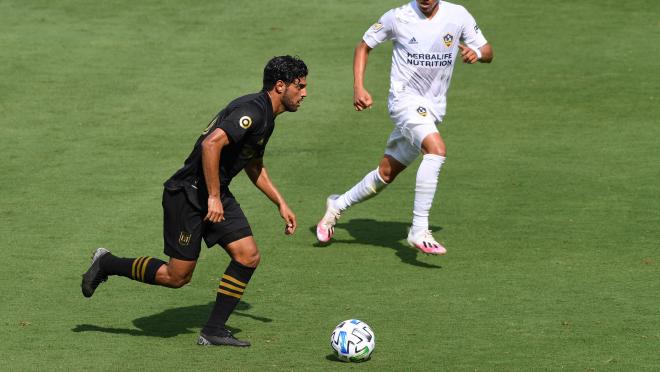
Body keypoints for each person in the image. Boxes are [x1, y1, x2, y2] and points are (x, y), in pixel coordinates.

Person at [81, 55, 308, 347]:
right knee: (177, 277)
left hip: (215, 191)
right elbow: (210, 144)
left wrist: (280, 203)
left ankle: (213, 330)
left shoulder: (267, 117)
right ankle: (108, 263)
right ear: (280, 86)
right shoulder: (252, 110)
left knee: (247, 255)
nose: (304, 93)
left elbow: (253, 164)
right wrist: (212, 197)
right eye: (299, 86)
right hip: (188, 194)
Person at [316, 0, 493, 254]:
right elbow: (363, 46)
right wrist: (358, 86)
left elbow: (488, 51)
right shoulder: (397, 17)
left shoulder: (458, 15)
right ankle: (419, 229)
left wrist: (477, 54)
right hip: (404, 102)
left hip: (433, 110)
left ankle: (337, 205)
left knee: (386, 174)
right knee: (436, 150)